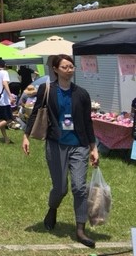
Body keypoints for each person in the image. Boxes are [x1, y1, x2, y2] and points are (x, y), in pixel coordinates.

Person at [22, 54, 99, 249]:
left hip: (79, 145)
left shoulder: (82, 94)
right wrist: (26, 136)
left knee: (79, 187)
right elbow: (36, 111)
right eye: (65, 67)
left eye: (71, 66)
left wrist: (93, 147)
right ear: (56, 69)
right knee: (60, 188)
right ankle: (52, 209)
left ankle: (80, 230)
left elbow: (88, 122)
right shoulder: (47, 90)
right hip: (56, 144)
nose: (69, 69)